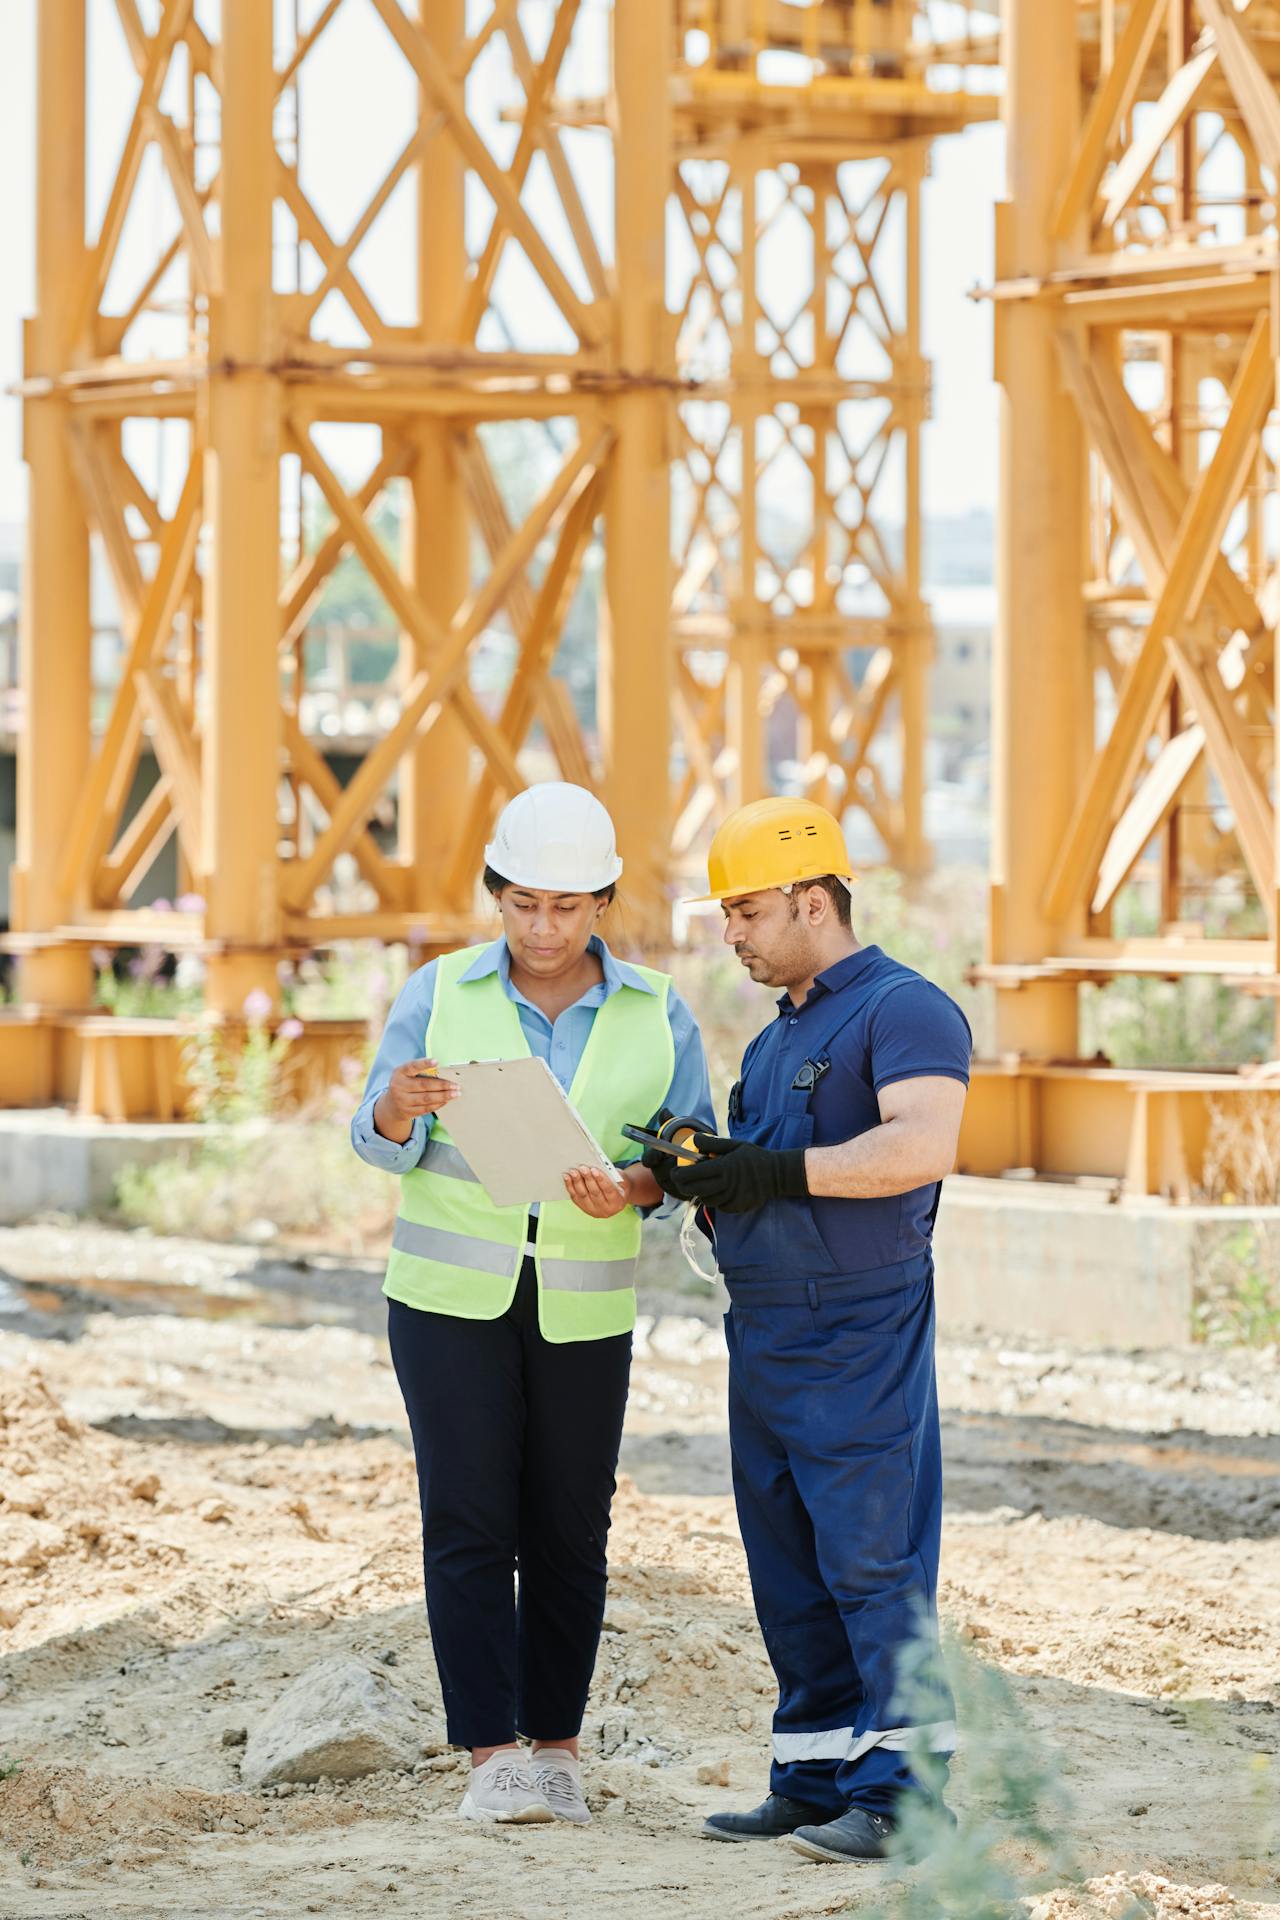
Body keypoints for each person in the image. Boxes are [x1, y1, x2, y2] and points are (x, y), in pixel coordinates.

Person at [351, 782, 712, 1828]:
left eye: (564, 906)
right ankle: (488, 1754)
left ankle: (554, 1747)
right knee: (466, 1517)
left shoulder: (658, 1012)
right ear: (495, 897)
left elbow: (686, 1153)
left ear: (601, 903)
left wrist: (636, 1185)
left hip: (582, 1307)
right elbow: (374, 1139)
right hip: (445, 1300)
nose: (541, 928)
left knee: (568, 1524)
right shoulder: (437, 992)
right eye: (521, 905)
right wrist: (395, 1106)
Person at [645, 796, 971, 1865]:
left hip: (858, 1331)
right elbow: (769, 1176)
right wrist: (703, 1172)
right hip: (768, 1329)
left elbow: (916, 1147)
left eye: (742, 909)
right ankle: (815, 1774)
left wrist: (767, 1169)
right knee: (787, 1562)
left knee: (873, 1563)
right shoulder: (784, 1029)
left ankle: (905, 1797)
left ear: (811, 896)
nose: (728, 932)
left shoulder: (903, 1010)